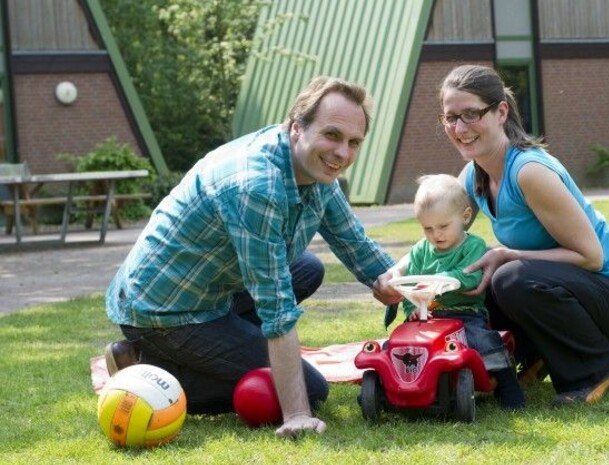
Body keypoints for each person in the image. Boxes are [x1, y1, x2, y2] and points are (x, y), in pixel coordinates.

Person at [104, 76, 401, 437]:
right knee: (313, 389)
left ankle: (226, 353)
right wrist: (295, 413)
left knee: (307, 269)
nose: (343, 153)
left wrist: (391, 279)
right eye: (332, 135)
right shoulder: (257, 186)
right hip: (164, 309)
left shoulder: (316, 172)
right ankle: (144, 370)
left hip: (210, 288)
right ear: (297, 128)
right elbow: (274, 305)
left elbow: (353, 240)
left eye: (354, 142)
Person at [437, 64, 609, 405]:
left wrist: (508, 254)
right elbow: (441, 232)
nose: (459, 128)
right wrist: (398, 274)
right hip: (568, 287)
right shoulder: (473, 175)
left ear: (501, 111)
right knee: (471, 283)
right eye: (450, 117)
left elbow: (590, 257)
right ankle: (537, 355)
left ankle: (598, 365)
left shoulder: (529, 171)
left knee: (509, 278)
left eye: (471, 115)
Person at [386, 174, 524, 410]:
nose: (436, 235)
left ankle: (507, 385)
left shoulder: (473, 246)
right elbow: (411, 287)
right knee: (395, 346)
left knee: (483, 340)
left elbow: (471, 277)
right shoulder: (421, 250)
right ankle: (385, 386)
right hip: (426, 317)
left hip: (464, 314)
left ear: (465, 216)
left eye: (443, 226)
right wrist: (410, 309)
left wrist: (442, 280)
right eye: (427, 228)